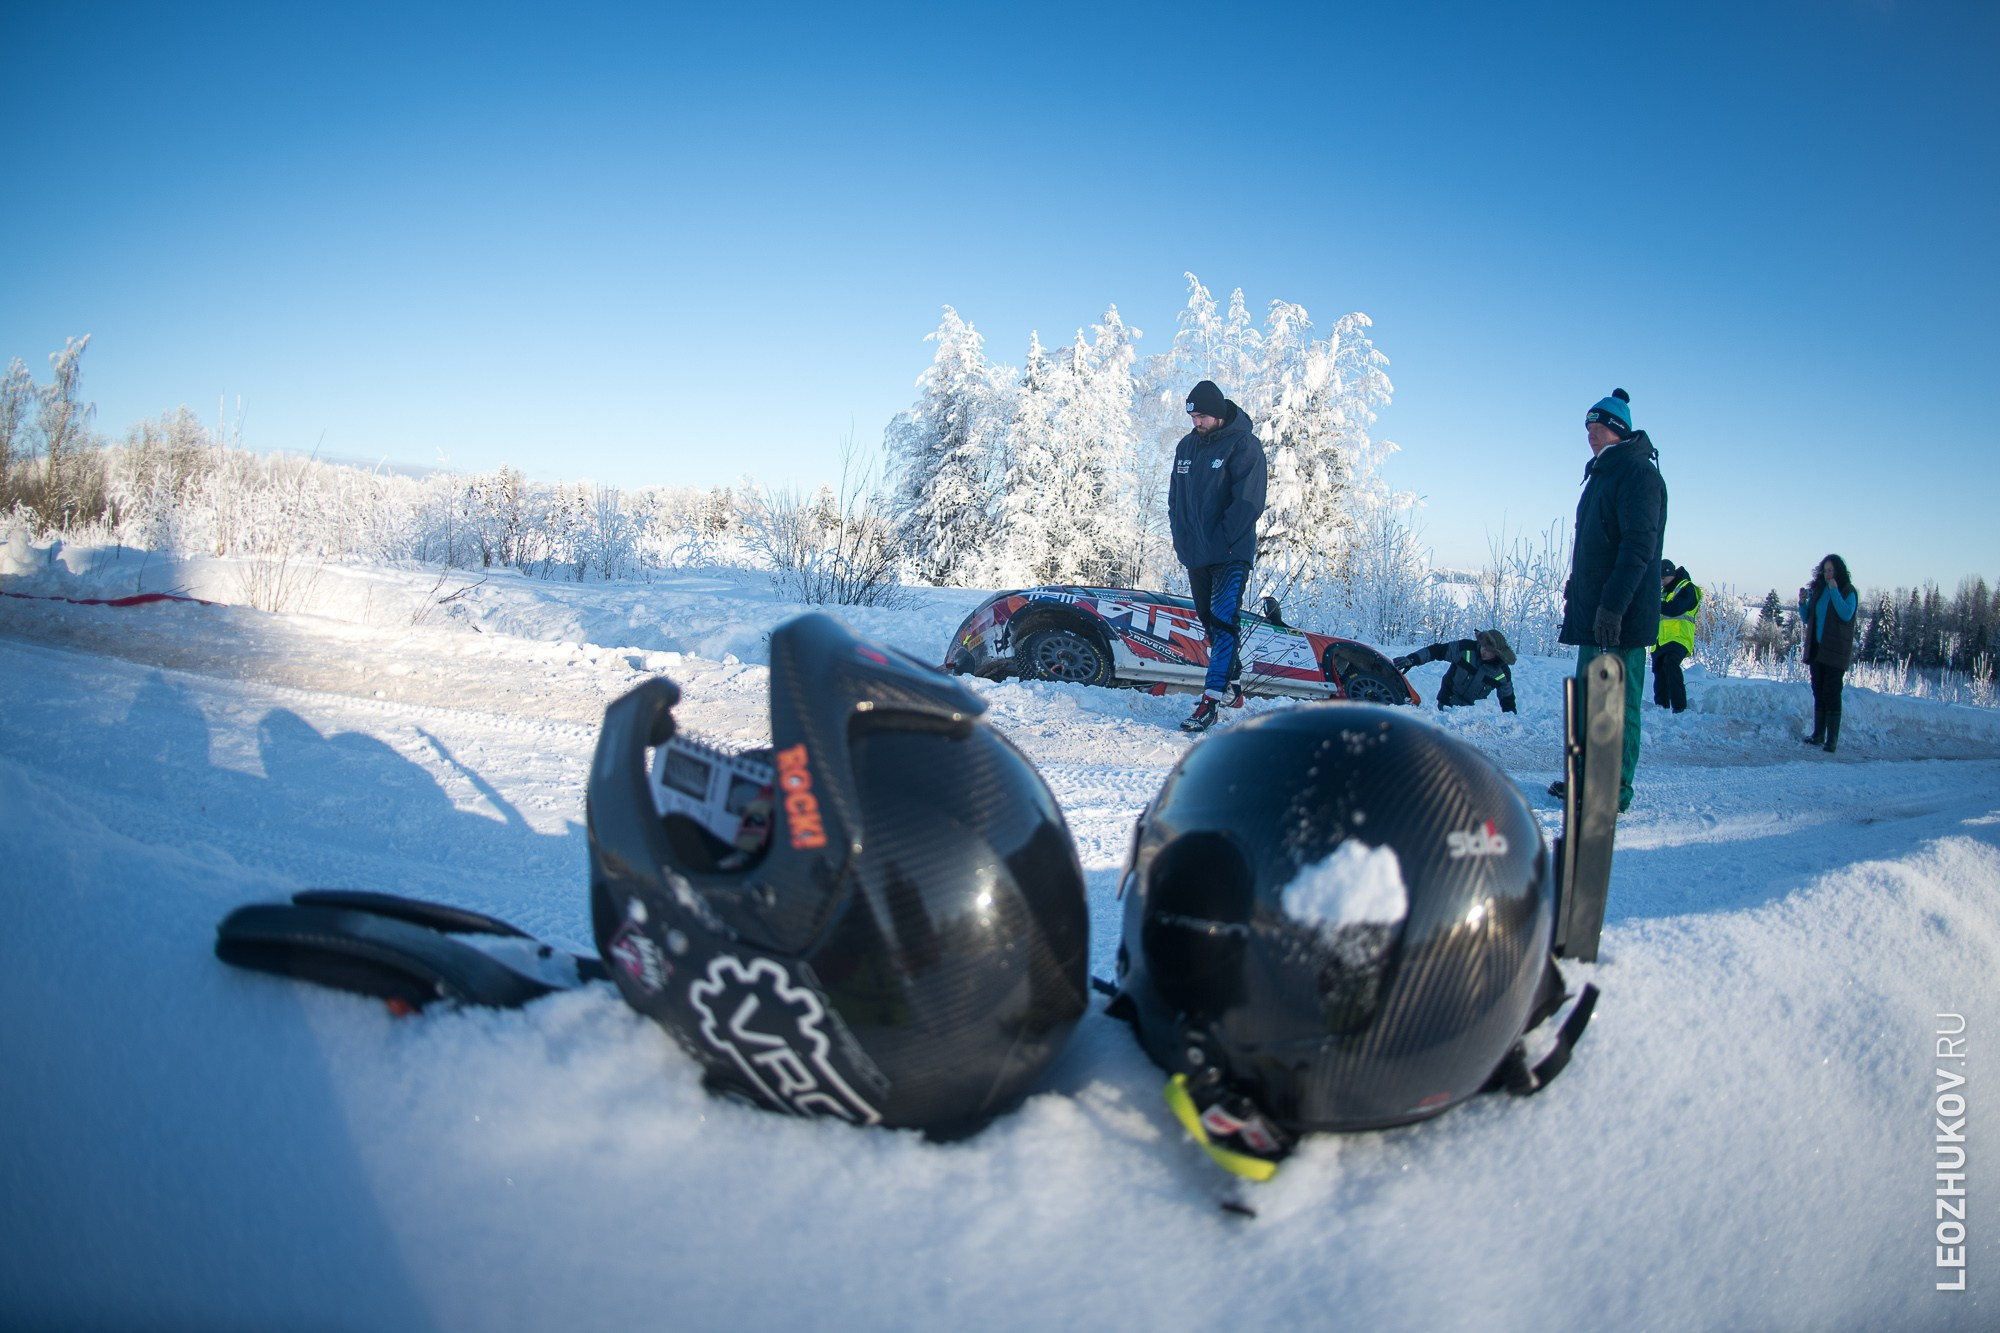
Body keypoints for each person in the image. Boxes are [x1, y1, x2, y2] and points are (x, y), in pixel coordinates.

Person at [1546, 388, 1666, 814]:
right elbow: (1595, 548)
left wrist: (1613, 606)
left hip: (1621, 617)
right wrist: (1577, 590)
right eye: (1588, 429)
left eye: (1598, 428)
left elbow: (1638, 549)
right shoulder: (1602, 475)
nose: (1591, 436)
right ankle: (1584, 781)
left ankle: (1613, 791)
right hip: (1594, 612)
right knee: (1588, 700)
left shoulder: (1639, 476)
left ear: (1618, 430)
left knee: (1616, 705)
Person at [1167, 378, 1267, 733]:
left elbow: (1248, 502)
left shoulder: (1244, 445)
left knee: (1224, 624)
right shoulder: (1186, 447)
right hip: (1196, 553)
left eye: (1204, 416)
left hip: (1229, 553)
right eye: (1193, 416)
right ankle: (1233, 684)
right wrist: (1182, 540)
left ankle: (1210, 701)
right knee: (1210, 621)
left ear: (1220, 413)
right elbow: (1175, 500)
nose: (1198, 423)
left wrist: (1222, 543)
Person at [1798, 554, 1857, 753]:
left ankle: (1831, 739)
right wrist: (1803, 604)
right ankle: (1818, 734)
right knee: (1818, 691)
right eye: (1825, 571)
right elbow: (1808, 619)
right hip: (1817, 650)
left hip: (1836, 652)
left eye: (1831, 570)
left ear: (1839, 571)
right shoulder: (1820, 590)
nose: (1828, 574)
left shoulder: (1848, 591)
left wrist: (1834, 591)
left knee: (1832, 693)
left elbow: (1846, 613)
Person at [1393, 629, 1518, 713]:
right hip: (1447, 702)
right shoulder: (1465, 649)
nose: (1484, 651)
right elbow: (1437, 651)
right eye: (1483, 647)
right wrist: (1412, 659)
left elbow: (1507, 700)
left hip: (1471, 714)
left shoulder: (1502, 673)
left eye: (1489, 650)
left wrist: (1512, 722)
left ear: (1497, 654)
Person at [1653, 558, 1701, 713]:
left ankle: (1680, 707)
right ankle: (1661, 707)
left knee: (1670, 663)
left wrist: (1652, 604)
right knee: (1659, 669)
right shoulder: (1663, 592)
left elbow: (1676, 608)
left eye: (1663, 578)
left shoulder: (1687, 588)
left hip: (1679, 638)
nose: (1661, 582)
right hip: (1661, 640)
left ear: (1670, 574)